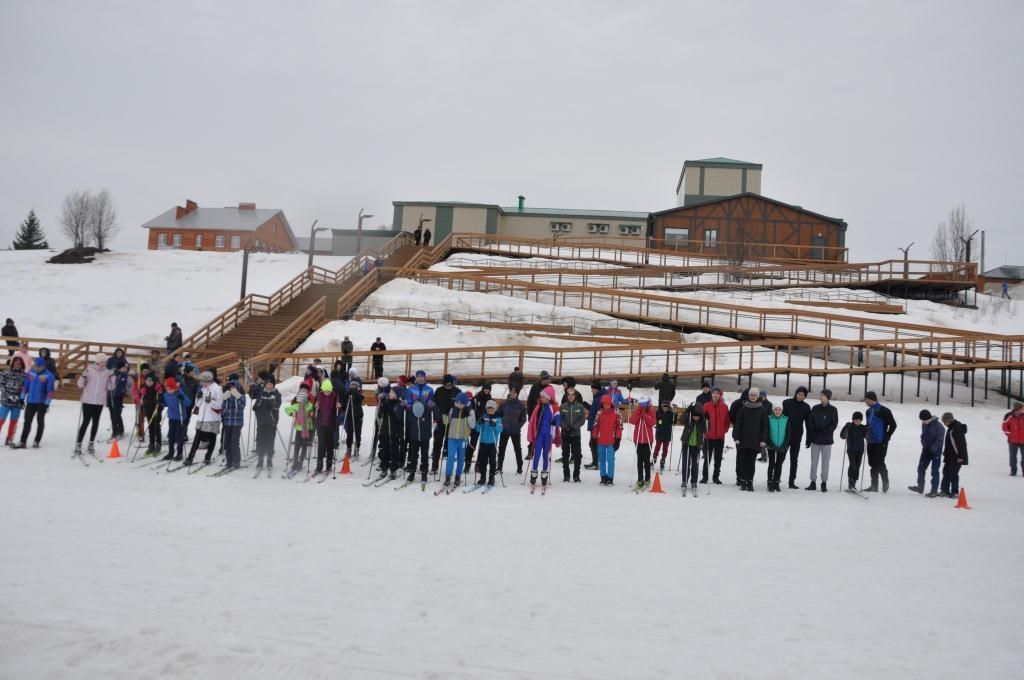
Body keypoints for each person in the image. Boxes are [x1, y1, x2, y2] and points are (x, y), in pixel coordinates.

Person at [732, 388, 768, 492]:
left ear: (758, 397)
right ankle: (743, 481)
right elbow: (738, 424)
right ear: (748, 396)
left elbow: (765, 426)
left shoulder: (762, 409)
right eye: (751, 395)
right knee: (743, 462)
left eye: (754, 395)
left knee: (751, 463)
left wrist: (763, 440)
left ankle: (750, 482)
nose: (753, 397)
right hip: (743, 440)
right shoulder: (743, 408)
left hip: (755, 441)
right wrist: (736, 438)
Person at [526, 385, 561, 493]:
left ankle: (544, 475)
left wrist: (555, 421)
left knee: (546, 455)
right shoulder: (539, 406)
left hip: (548, 435)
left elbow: (558, 417)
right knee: (536, 454)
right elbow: (534, 419)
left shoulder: (554, 407)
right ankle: (533, 475)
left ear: (550, 397)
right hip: (539, 435)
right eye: (541, 397)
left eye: (544, 397)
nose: (542, 399)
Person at [75, 354, 111, 456]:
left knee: (96, 422)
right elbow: (80, 385)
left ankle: (91, 444)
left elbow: (111, 387)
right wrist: (83, 376)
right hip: (88, 400)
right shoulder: (89, 370)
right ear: (97, 361)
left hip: (99, 401)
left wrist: (112, 377)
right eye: (102, 361)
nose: (104, 363)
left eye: (105, 361)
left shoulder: (106, 372)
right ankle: (79, 443)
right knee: (86, 421)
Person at [184, 371, 222, 466]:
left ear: (208, 381)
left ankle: (208, 457)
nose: (201, 383)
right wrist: (199, 397)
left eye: (203, 382)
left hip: (213, 418)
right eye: (201, 382)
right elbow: (198, 404)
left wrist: (211, 401)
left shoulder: (217, 389)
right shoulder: (203, 388)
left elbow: (220, 406)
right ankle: (190, 458)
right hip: (202, 417)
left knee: (212, 437)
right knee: (197, 438)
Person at [16, 357, 55, 449]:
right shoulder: (31, 373)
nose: (37, 368)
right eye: (35, 365)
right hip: (30, 402)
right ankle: (22, 441)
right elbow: (25, 387)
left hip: (41, 403)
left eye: (39, 366)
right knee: (27, 421)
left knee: (40, 421)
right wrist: (22, 398)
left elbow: (50, 391)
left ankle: (37, 441)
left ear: (43, 366)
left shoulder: (48, 375)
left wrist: (47, 404)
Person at [864, 391, 897, 492]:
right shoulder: (868, 411)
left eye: (866, 399)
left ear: (871, 399)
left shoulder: (884, 410)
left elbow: (893, 425)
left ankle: (885, 481)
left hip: (881, 441)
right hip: (871, 441)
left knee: (879, 461)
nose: (865, 401)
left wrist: (887, 436)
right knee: (872, 462)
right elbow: (868, 425)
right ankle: (874, 485)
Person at [805, 389, 838, 492]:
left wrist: (826, 430)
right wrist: (814, 430)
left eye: (822, 395)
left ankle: (824, 482)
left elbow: (834, 423)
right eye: (820, 395)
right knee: (814, 462)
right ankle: (813, 482)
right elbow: (810, 422)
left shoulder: (833, 409)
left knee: (825, 462)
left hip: (827, 440)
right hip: (815, 439)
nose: (820, 397)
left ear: (827, 397)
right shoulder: (815, 408)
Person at [442, 392, 475, 490]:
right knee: (450, 458)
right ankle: (448, 476)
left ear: (465, 403)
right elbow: (446, 422)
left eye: (462, 403)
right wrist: (445, 412)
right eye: (458, 403)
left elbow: (473, 425)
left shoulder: (470, 411)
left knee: (461, 458)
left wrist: (468, 415)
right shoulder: (453, 410)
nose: (459, 405)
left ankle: (458, 475)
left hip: (463, 438)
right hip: (452, 437)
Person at [910, 409, 944, 497]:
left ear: (929, 418)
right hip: (926, 450)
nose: (923, 422)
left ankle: (934, 490)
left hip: (936, 451)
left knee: (934, 471)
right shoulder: (924, 424)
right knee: (921, 468)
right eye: (922, 420)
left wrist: (932, 449)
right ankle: (920, 487)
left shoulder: (939, 426)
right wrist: (923, 443)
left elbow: (940, 440)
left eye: (924, 420)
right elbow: (923, 435)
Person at [431, 374, 460, 475]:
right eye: (446, 384)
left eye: (450, 384)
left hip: (452, 421)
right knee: (437, 443)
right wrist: (437, 416)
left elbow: (461, 405)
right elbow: (434, 405)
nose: (448, 386)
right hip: (440, 419)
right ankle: (434, 465)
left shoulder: (457, 391)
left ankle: (449, 467)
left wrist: (454, 411)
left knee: (450, 444)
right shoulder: (439, 390)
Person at [782, 387, 811, 489]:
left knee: (794, 459)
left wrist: (808, 438)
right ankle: (775, 478)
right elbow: (782, 419)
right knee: (781, 457)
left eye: (803, 395)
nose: (801, 396)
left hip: (797, 436)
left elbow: (808, 424)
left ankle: (791, 481)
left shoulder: (806, 407)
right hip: (785, 435)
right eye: (799, 394)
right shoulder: (786, 403)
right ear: (795, 393)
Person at [405, 384, 434, 485]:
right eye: (418, 377)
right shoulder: (412, 412)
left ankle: (424, 472)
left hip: (425, 436)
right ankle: (412, 472)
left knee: (424, 455)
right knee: (413, 454)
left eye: (422, 377)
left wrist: (433, 407)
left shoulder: (427, 411)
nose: (420, 378)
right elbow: (408, 421)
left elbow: (435, 411)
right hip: (414, 436)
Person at [251, 378, 281, 469]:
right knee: (260, 441)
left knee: (270, 441)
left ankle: (269, 460)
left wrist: (271, 405)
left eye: (271, 384)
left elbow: (277, 405)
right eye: (267, 384)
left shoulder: (276, 394)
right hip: (261, 421)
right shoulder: (262, 393)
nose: (269, 386)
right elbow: (257, 404)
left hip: (272, 422)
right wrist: (256, 407)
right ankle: (260, 460)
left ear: (273, 385)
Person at [702, 387, 730, 484]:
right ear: (711, 394)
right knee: (707, 457)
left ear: (720, 395)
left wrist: (724, 430)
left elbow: (727, 420)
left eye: (717, 393)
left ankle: (716, 477)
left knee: (718, 458)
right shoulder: (706, 405)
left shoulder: (724, 407)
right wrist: (704, 430)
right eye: (713, 393)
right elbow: (702, 419)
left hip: (719, 437)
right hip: (708, 436)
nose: (715, 395)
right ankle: (704, 477)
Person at [285, 382, 315, 474]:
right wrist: (292, 413)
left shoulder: (309, 405)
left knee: (304, 446)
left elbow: (314, 409)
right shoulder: (296, 405)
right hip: (298, 429)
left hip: (307, 429)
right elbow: (286, 409)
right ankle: (295, 462)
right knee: (297, 446)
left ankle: (301, 462)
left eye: (302, 401)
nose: (300, 403)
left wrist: (312, 413)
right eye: (299, 401)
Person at [378, 385, 406, 479]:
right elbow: (380, 415)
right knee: (384, 450)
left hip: (394, 431)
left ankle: (393, 469)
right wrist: (381, 405)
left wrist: (388, 408)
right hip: (385, 429)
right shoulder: (387, 402)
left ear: (397, 395)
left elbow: (397, 417)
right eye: (390, 392)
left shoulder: (399, 404)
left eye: (392, 392)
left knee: (393, 451)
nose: (390, 394)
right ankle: (384, 467)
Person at [160, 377, 192, 462]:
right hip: (172, 417)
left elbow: (188, 403)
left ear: (174, 388)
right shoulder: (166, 395)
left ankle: (179, 453)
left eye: (171, 389)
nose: (169, 390)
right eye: (167, 389)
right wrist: (161, 403)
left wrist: (183, 399)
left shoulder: (179, 393)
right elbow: (167, 404)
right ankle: (171, 452)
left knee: (179, 436)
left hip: (180, 418)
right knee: (171, 436)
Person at [593, 393, 622, 486]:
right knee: (601, 459)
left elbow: (620, 426)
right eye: (604, 403)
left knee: (610, 460)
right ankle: (603, 477)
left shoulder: (616, 412)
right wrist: (594, 437)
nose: (606, 405)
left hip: (612, 441)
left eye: (607, 403)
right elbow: (595, 425)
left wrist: (618, 439)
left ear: (611, 403)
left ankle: (610, 478)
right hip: (600, 440)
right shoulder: (599, 412)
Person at [559, 386, 587, 482]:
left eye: (572, 395)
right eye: (569, 395)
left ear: (575, 396)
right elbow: (559, 419)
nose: (571, 397)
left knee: (577, 454)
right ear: (567, 396)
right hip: (565, 434)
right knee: (565, 455)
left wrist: (574, 427)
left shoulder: (580, 406)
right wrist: (566, 427)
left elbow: (582, 419)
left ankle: (576, 475)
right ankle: (566, 475)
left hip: (575, 434)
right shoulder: (563, 406)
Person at [498, 386, 527, 474]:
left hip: (515, 431)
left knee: (517, 449)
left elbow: (523, 418)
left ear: (517, 394)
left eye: (515, 392)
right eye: (512, 392)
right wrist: (500, 424)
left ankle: (519, 468)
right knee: (501, 449)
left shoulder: (520, 405)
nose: (513, 393)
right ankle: (499, 467)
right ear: (509, 392)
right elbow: (498, 415)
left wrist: (518, 426)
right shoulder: (503, 404)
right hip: (504, 430)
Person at [629, 395, 656, 489]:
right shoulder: (638, 409)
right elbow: (632, 421)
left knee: (646, 459)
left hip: (648, 439)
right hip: (638, 439)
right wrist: (639, 411)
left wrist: (644, 414)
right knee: (639, 459)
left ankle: (647, 478)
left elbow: (652, 422)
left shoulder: (651, 410)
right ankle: (640, 478)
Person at [679, 402, 706, 494]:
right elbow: (681, 420)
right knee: (685, 463)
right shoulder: (689, 419)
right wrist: (687, 411)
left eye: (698, 416)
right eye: (694, 415)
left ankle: (694, 481)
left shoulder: (702, 422)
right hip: (686, 444)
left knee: (695, 464)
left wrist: (708, 419)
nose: (696, 418)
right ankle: (684, 480)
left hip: (697, 446)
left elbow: (707, 429)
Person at [312, 378, 338, 474]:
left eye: (328, 391)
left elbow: (339, 409)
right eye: (325, 391)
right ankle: (319, 466)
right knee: (321, 445)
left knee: (330, 445)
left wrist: (338, 406)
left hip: (331, 424)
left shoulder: (334, 396)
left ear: (331, 389)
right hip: (320, 424)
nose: (326, 392)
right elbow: (314, 407)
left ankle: (329, 465)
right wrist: (315, 406)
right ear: (322, 389)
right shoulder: (319, 395)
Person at [220, 375, 246, 470]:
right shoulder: (227, 396)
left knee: (234, 442)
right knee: (227, 442)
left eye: (234, 386)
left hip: (237, 422)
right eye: (231, 386)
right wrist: (224, 399)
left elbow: (242, 406)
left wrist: (238, 396)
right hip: (227, 422)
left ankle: (236, 461)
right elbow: (222, 408)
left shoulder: (241, 396)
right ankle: (229, 461)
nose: (232, 388)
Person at [940, 412, 968, 498]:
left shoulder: (956, 428)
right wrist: (946, 451)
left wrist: (960, 457)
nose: (944, 424)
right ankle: (945, 490)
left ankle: (955, 492)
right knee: (946, 472)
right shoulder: (951, 428)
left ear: (950, 420)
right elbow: (950, 443)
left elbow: (961, 444)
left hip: (957, 457)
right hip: (950, 456)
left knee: (953, 474)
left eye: (945, 422)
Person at [475, 400, 502, 486]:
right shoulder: (483, 417)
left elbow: (500, 429)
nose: (490, 410)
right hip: (483, 443)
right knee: (483, 461)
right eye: (488, 408)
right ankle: (482, 478)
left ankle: (491, 478)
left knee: (492, 462)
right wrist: (479, 423)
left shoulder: (498, 418)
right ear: (486, 409)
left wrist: (494, 425)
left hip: (492, 443)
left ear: (495, 409)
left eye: (492, 408)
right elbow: (477, 429)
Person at [0, 356, 26, 446]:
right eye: (16, 363)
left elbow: (25, 388)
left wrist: (21, 398)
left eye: (19, 363)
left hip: (17, 403)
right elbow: (1, 384)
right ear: (13, 363)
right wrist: (7, 394)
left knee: (13, 421)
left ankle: (9, 438)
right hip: (5, 401)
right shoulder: (6, 373)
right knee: (1, 420)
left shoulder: (24, 375)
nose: (17, 365)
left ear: (22, 364)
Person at [839, 412, 868, 491]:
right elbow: (842, 436)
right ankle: (850, 483)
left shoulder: (863, 428)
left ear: (861, 420)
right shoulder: (849, 426)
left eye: (859, 420)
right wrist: (846, 429)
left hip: (860, 450)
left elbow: (868, 438)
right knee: (853, 465)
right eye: (856, 420)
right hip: (851, 450)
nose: (857, 421)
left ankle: (854, 483)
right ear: (853, 419)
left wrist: (868, 431)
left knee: (857, 466)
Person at [137, 374, 164, 454]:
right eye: (147, 381)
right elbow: (141, 396)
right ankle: (151, 444)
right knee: (150, 427)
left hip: (156, 409)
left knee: (156, 426)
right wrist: (141, 398)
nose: (148, 383)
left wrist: (159, 400)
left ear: (154, 381)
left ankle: (158, 444)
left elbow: (162, 396)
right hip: (148, 408)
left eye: (150, 381)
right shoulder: (144, 387)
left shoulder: (158, 387)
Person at [467, 382, 493, 465]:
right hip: (476, 424)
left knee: (482, 445)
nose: (487, 391)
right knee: (472, 443)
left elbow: (492, 411)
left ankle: (479, 464)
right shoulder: (476, 398)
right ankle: (468, 463)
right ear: (483, 389)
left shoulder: (490, 400)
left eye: (488, 390)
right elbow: (470, 410)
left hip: (485, 425)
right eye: (485, 389)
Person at [765, 404, 790, 492]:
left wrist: (784, 445)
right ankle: (770, 482)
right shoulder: (769, 418)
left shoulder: (786, 419)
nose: (777, 411)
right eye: (776, 409)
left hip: (782, 446)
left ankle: (776, 482)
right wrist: (771, 444)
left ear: (782, 410)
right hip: (771, 445)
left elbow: (788, 434)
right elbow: (767, 432)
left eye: (779, 409)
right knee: (771, 463)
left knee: (779, 464)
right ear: (773, 410)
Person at [339, 377, 365, 459]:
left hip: (358, 415)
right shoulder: (348, 393)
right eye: (352, 384)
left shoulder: (359, 392)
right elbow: (345, 403)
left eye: (355, 385)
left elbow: (360, 398)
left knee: (357, 433)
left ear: (357, 385)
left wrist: (354, 393)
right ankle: (348, 449)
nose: (353, 386)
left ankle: (357, 448)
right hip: (350, 415)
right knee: (349, 433)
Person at [585, 381, 608, 470]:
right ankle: (596, 462)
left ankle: (596, 463)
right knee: (593, 444)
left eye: (592, 389)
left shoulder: (600, 398)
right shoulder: (598, 397)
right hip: (596, 425)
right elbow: (594, 410)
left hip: (596, 426)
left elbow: (599, 413)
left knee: (594, 444)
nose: (591, 391)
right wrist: (587, 406)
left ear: (596, 389)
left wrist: (596, 425)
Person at [1002, 402, 1024, 476]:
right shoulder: (1009, 416)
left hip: (1023, 441)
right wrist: (1010, 435)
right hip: (1012, 441)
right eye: (1021, 409)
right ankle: (1013, 471)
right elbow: (1004, 427)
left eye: (1022, 409)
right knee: (1012, 457)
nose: (1022, 410)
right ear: (1016, 409)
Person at [653, 402, 674, 472]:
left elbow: (673, 422)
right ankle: (654, 458)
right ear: (662, 407)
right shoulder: (659, 413)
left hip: (667, 434)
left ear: (669, 408)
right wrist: (658, 425)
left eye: (667, 407)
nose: (665, 408)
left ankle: (663, 460)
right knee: (657, 446)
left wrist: (675, 414)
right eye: (664, 407)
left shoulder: (671, 414)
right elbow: (657, 420)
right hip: (659, 433)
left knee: (665, 448)